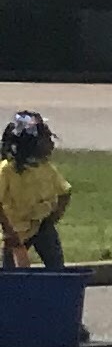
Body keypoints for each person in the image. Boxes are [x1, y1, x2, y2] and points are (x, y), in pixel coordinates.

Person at [0, 111, 71, 269]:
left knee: (56, 265)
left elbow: (65, 192)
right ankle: (12, 292)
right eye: (45, 139)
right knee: (10, 271)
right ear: (30, 143)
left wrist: (52, 218)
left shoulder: (45, 167)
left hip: (42, 224)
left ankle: (55, 288)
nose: (50, 143)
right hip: (15, 229)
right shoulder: (7, 170)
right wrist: (8, 230)